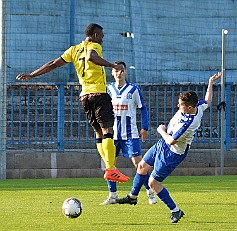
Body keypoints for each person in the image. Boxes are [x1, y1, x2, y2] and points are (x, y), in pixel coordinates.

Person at [16, 23, 129, 183]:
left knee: (98, 134)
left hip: (85, 96)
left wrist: (32, 75)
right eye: (102, 36)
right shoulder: (95, 46)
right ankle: (111, 169)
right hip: (99, 94)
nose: (102, 40)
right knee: (108, 131)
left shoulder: (73, 50)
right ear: (95, 35)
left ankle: (109, 167)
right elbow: (92, 57)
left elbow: (53, 63)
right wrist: (113, 65)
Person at [115, 72, 222, 223]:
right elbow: (207, 101)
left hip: (172, 153)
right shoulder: (197, 106)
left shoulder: (189, 122)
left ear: (189, 107)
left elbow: (172, 140)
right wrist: (211, 83)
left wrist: (161, 130)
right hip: (162, 144)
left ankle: (175, 211)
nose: (178, 106)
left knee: (153, 183)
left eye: (181, 105)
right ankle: (132, 197)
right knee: (141, 166)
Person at [100, 61, 157, 205]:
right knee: (110, 164)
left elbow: (143, 108)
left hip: (131, 134)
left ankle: (150, 192)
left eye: (121, 70)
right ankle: (112, 195)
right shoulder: (108, 89)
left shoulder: (133, 89)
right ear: (112, 73)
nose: (118, 73)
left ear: (125, 72)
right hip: (112, 134)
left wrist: (144, 128)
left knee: (138, 164)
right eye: (116, 70)